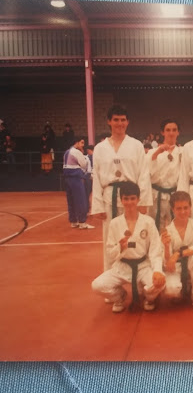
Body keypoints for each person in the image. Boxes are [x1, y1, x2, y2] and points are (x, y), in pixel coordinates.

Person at [91, 104, 152, 270]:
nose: (120, 123)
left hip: (132, 196)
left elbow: (143, 174)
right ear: (109, 122)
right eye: (116, 120)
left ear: (128, 122)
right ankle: (111, 276)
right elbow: (96, 177)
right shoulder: (100, 148)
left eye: (123, 120)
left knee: (136, 236)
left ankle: (139, 274)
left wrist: (144, 201)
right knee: (110, 239)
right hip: (109, 196)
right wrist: (97, 206)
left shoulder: (136, 145)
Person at [91, 181, 165, 312]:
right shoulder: (114, 223)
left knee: (161, 284)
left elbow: (155, 251)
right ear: (121, 200)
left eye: (132, 199)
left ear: (138, 199)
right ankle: (120, 296)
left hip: (143, 266)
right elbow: (109, 252)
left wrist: (157, 271)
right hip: (122, 267)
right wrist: (120, 247)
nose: (129, 202)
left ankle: (148, 297)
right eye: (126, 199)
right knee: (97, 285)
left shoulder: (148, 222)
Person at [161, 191, 193, 312]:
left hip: (191, 264)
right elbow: (167, 262)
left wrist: (178, 253)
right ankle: (185, 285)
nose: (183, 212)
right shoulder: (167, 230)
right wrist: (166, 247)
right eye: (178, 208)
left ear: (190, 207)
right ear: (172, 209)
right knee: (172, 290)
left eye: (185, 208)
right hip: (176, 267)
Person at [147, 118, 183, 230]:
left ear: (178, 132)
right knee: (156, 228)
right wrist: (157, 153)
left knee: (177, 227)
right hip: (157, 195)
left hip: (175, 195)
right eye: (168, 130)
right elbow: (148, 173)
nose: (171, 133)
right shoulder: (153, 152)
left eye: (174, 130)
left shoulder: (183, 151)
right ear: (163, 132)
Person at [63, 137, 94, 229]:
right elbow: (84, 164)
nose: (83, 145)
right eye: (82, 143)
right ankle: (82, 222)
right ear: (76, 143)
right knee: (81, 200)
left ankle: (73, 221)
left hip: (67, 178)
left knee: (71, 200)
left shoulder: (67, 152)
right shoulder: (77, 152)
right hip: (75, 177)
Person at [84, 144, 94, 211]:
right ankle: (87, 206)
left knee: (87, 192)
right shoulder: (87, 157)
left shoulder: (88, 157)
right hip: (90, 175)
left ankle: (87, 206)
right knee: (87, 192)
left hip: (92, 175)